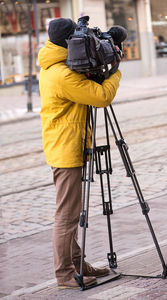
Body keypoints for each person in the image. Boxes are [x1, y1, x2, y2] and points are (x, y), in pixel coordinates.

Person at [38, 17, 121, 289]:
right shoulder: (62, 74)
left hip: (68, 146)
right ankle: (64, 274)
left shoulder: (59, 67)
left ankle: (78, 264)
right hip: (66, 150)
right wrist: (116, 69)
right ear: (67, 42)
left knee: (71, 212)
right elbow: (100, 97)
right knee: (67, 215)